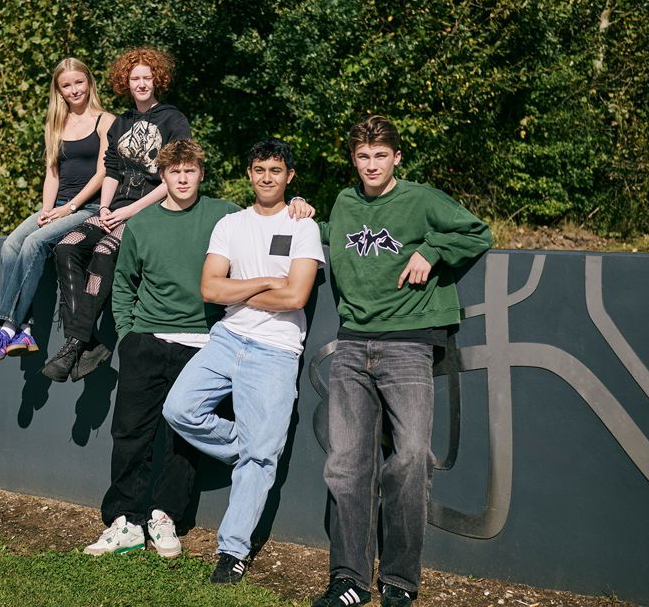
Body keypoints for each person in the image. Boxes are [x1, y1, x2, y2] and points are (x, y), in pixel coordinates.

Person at [311, 115, 492, 607]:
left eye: (380, 156)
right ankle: (348, 580)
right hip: (352, 345)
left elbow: (479, 233)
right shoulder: (345, 202)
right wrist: (302, 215)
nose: (371, 165)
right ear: (354, 158)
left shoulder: (421, 198)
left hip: (409, 344)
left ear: (396, 158)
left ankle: (399, 581)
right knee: (346, 464)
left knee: (411, 458)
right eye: (363, 156)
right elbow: (334, 233)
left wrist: (432, 251)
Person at [162, 138, 324, 585]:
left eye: (275, 169)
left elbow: (296, 296)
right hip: (227, 338)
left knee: (260, 455)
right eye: (259, 169)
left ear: (289, 176)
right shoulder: (230, 224)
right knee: (178, 409)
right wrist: (265, 280)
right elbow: (211, 289)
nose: (267, 177)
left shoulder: (303, 226)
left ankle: (232, 551)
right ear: (249, 174)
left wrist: (243, 286)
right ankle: (251, 452)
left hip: (275, 351)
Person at [83, 139, 239, 557]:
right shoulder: (143, 223)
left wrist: (298, 203)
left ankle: (165, 516)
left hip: (204, 346)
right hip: (146, 340)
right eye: (174, 172)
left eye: (190, 170)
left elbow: (269, 221)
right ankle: (125, 521)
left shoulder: (225, 215)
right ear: (163, 176)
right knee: (131, 431)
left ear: (200, 173)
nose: (183, 178)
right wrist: (130, 335)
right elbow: (123, 285)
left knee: (182, 437)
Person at [42, 46, 191, 382]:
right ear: (126, 81)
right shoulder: (120, 122)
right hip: (117, 208)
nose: (141, 83)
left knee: (105, 251)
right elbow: (111, 171)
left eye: (147, 77)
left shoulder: (173, 119)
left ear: (157, 80)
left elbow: (174, 176)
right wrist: (107, 208)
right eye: (135, 77)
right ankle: (88, 342)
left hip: (150, 212)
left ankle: (74, 343)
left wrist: (131, 212)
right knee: (67, 245)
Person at [0, 58, 114, 361]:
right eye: (66, 85)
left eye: (79, 82)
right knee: (11, 245)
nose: (74, 89)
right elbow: (52, 173)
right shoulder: (55, 123)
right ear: (59, 91)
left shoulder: (106, 121)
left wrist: (70, 207)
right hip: (58, 205)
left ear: (89, 82)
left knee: (35, 243)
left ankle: (7, 327)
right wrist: (46, 209)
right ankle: (25, 331)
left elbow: (103, 173)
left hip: (87, 206)